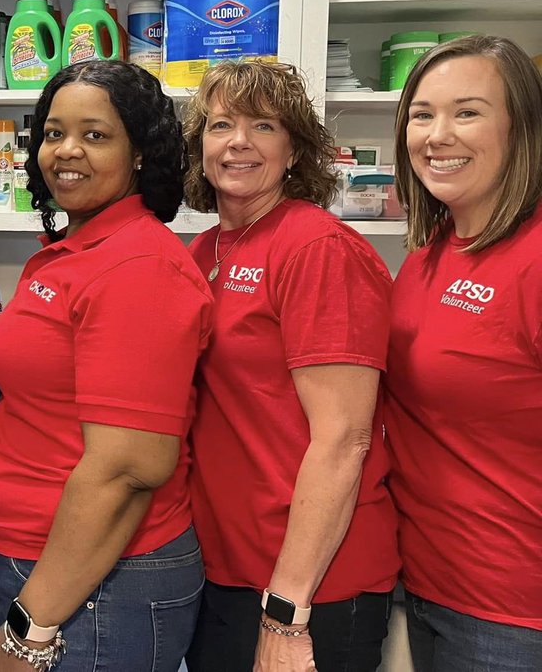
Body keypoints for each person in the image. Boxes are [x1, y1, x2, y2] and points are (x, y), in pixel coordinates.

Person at [0, 61, 212, 672]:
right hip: (39, 562)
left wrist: (31, 628)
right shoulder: (77, 251)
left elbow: (128, 468)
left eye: (95, 135)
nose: (66, 151)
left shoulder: (139, 269)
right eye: (53, 133)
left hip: (100, 586)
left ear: (139, 154)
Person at [181, 60, 398, 672]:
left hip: (313, 584)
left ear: (296, 150)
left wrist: (287, 608)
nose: (239, 141)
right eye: (221, 124)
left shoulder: (318, 248)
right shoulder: (203, 253)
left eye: (264, 125)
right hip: (226, 567)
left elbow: (345, 438)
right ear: (200, 149)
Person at [385, 35, 542, 671]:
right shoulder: (428, 256)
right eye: (422, 115)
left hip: (512, 612)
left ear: (522, 128)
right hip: (425, 584)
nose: (437, 135)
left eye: (468, 112)